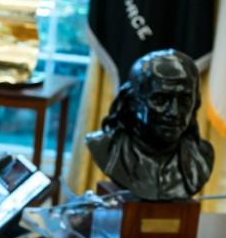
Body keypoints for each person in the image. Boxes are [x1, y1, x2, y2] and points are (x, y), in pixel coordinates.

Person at [85, 48, 214, 200]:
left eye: (184, 100)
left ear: (195, 102)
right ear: (133, 101)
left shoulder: (202, 157)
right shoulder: (104, 147)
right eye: (160, 99)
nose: (174, 112)